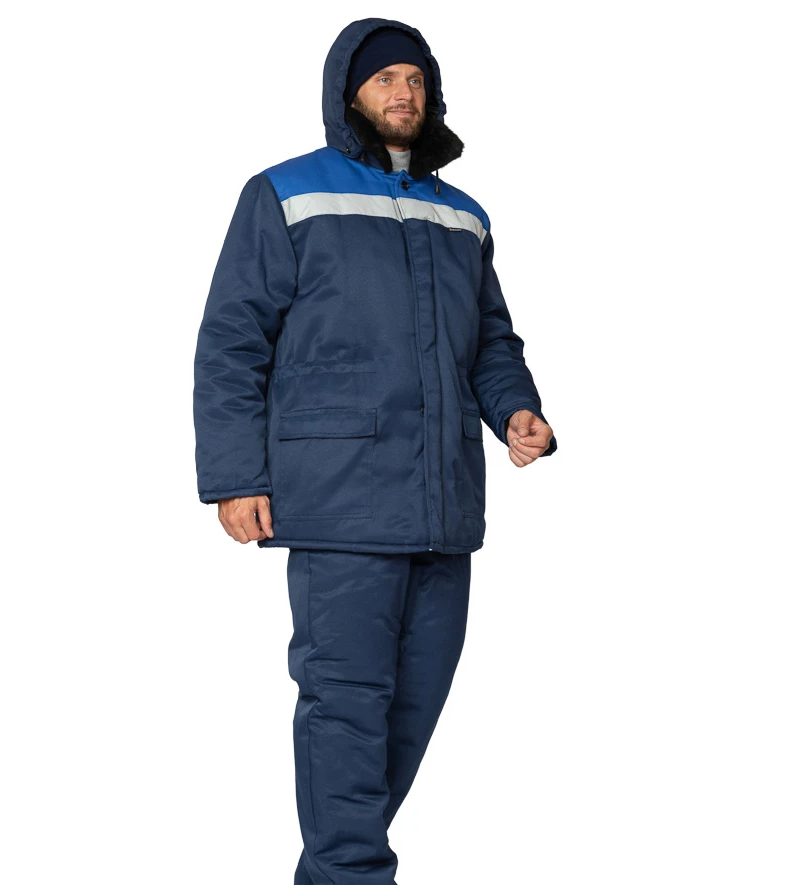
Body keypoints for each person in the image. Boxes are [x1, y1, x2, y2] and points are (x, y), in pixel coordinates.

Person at [193, 17, 557, 885]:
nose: (404, 92)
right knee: (347, 707)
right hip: (339, 502)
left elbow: (490, 343)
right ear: (348, 92)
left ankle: (332, 870)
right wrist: (235, 476)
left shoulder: (463, 216)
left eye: (416, 79)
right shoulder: (286, 193)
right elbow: (232, 342)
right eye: (386, 77)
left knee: (411, 710)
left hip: (444, 506)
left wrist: (516, 410)